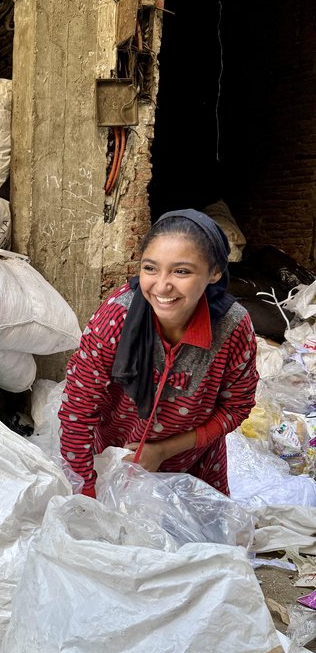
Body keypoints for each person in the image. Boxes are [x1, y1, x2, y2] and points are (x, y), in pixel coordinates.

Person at [59, 208, 259, 497]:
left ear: (214, 272)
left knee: (197, 539)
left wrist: (162, 451)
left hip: (192, 464)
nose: (162, 285)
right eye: (150, 268)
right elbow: (78, 410)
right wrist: (86, 488)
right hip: (114, 461)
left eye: (181, 271)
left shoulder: (232, 328)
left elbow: (236, 407)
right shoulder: (116, 319)